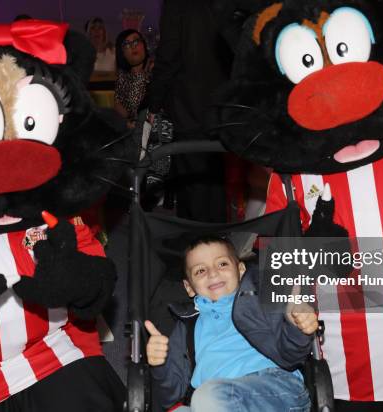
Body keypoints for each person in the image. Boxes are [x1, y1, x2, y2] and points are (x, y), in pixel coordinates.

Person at [145, 235, 317, 411]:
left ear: (241, 270)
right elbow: (169, 396)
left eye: (222, 264)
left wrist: (297, 327)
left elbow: (292, 354)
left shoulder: (259, 302)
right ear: (189, 287)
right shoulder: (186, 325)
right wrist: (160, 364)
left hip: (275, 388)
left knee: (207, 398)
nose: (213, 273)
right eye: (200, 271)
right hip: (212, 398)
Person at [147, 0, 233, 223]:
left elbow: (169, 53)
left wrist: (154, 102)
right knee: (213, 174)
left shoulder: (179, 4)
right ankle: (214, 236)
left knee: (192, 174)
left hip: (190, 99)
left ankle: (197, 240)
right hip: (221, 98)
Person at [114, 29, 152, 127]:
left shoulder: (156, 71)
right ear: (122, 53)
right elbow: (121, 109)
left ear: (144, 45)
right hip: (131, 131)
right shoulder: (122, 76)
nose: (133, 46)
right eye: (127, 44)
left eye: (136, 41)